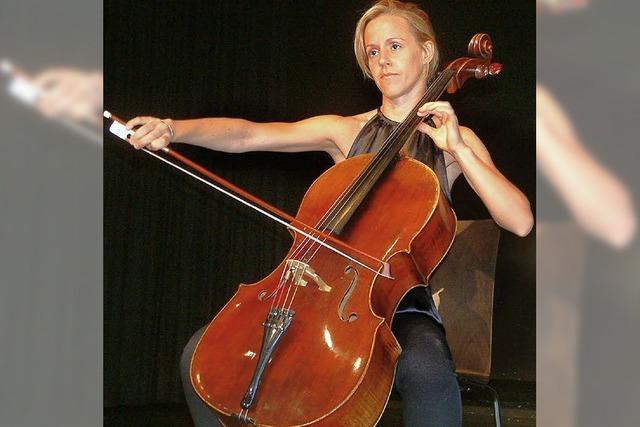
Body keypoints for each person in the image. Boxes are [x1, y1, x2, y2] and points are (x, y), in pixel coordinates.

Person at [126, 1, 533, 425]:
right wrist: (174, 129)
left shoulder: (452, 140)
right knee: (201, 354)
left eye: (395, 45)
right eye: (372, 52)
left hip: (397, 308)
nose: (383, 60)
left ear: (427, 52)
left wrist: (461, 150)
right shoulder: (344, 131)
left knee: (428, 373)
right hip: (314, 293)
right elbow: (248, 135)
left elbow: (519, 219)